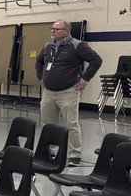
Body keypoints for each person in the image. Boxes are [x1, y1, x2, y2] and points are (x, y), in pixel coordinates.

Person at [35, 18, 103, 166]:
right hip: (48, 92)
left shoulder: (78, 46)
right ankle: (50, 150)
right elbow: (39, 62)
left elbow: (96, 60)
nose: (53, 31)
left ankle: (75, 155)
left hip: (68, 92)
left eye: (56, 29)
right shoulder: (47, 46)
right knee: (48, 124)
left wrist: (84, 80)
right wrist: (41, 77)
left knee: (71, 124)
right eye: (52, 28)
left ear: (67, 31)